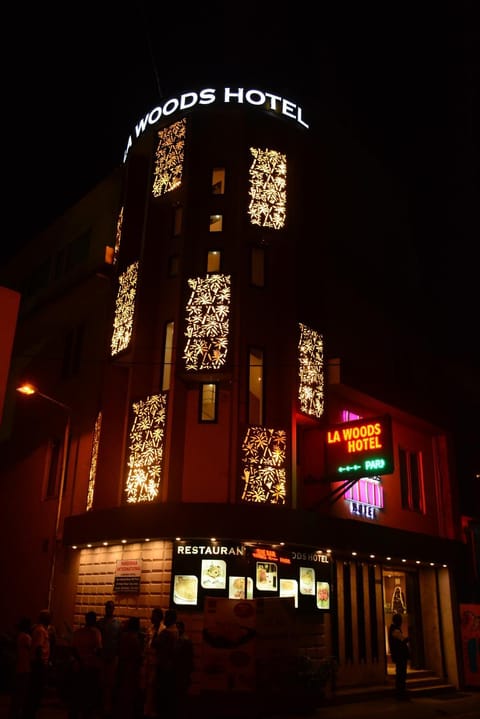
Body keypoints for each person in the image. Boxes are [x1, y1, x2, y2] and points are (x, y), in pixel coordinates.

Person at [69, 610, 103, 719]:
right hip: (90, 667)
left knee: (76, 695)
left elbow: (73, 649)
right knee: (88, 696)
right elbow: (98, 649)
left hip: (78, 667)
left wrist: (79, 660)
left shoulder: (78, 632)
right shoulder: (95, 633)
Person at [23, 609, 52, 719]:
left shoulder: (42, 630)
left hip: (39, 663)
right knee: (35, 691)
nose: (50, 619)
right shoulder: (40, 630)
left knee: (36, 691)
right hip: (39, 664)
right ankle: (29, 713)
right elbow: (39, 648)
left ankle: (30, 712)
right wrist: (42, 663)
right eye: (49, 617)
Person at [115, 616, 144, 719]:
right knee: (129, 694)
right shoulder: (134, 638)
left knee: (123, 693)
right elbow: (138, 655)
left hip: (122, 666)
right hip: (131, 669)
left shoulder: (123, 636)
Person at [97, 600, 122, 717]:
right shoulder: (100, 623)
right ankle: (102, 706)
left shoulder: (117, 624)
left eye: (111, 607)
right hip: (102, 657)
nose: (109, 609)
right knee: (102, 682)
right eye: (108, 607)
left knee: (110, 683)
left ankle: (107, 707)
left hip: (112, 657)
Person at [155, 609, 179, 719]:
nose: (164, 618)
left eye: (166, 616)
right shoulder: (176, 631)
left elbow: (156, 645)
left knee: (161, 693)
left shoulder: (166, 632)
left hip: (163, 666)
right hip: (171, 666)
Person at [9, 616, 32, 719]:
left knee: (16, 692)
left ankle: (14, 712)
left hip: (19, 667)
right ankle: (17, 713)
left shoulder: (19, 636)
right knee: (21, 693)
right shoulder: (26, 637)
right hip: (24, 668)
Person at [143, 608, 164, 719]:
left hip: (156, 661)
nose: (151, 617)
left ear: (159, 617)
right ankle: (147, 709)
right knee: (147, 685)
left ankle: (152, 710)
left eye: (153, 615)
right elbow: (147, 643)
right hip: (148, 660)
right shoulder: (150, 628)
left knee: (153, 685)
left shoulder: (162, 630)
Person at [388, 612, 410, 700]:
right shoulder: (395, 629)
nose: (401, 622)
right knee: (401, 674)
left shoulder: (394, 629)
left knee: (400, 674)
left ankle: (400, 692)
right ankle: (401, 693)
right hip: (400, 655)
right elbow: (402, 640)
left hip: (398, 655)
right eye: (400, 620)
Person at [175, 621, 194, 719]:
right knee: (182, 694)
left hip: (181, 671)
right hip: (183, 671)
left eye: (178, 627)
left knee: (180, 694)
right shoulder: (186, 640)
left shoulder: (182, 640)